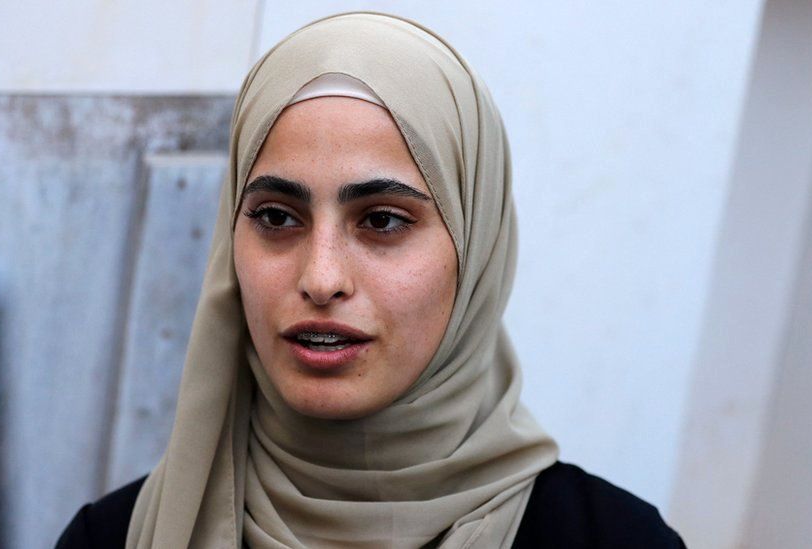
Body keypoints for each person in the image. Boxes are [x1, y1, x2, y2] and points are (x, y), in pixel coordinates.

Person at [57, 12, 684, 548]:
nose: (321, 277)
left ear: (476, 251)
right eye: (276, 217)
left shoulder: (612, 539)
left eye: (383, 220)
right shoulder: (116, 536)